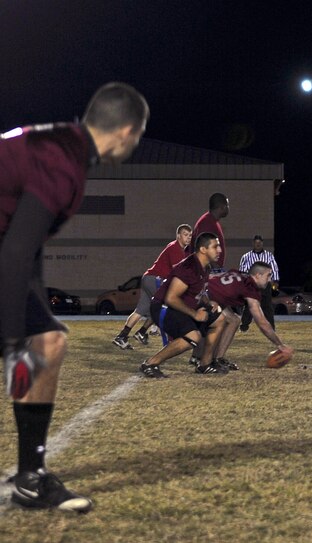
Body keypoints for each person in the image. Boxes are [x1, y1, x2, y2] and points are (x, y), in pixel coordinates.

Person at [0, 82, 149, 512]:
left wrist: (33, 317)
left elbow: (24, 244)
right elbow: (15, 250)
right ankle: (31, 475)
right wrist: (13, 341)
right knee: (36, 346)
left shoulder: (58, 143)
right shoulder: (63, 162)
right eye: (137, 136)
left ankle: (31, 476)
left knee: (47, 340)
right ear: (126, 132)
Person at [140, 233, 227, 378]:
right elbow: (171, 298)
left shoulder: (205, 267)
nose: (219, 250)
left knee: (219, 319)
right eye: (215, 246)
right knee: (193, 337)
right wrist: (195, 315)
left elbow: (198, 291)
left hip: (180, 307)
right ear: (203, 249)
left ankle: (204, 364)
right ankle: (150, 363)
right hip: (163, 308)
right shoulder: (189, 267)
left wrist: (208, 301)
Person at [112, 224, 192, 349]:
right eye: (185, 234)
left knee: (140, 311)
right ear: (178, 236)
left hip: (149, 278)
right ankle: (165, 339)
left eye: (190, 235)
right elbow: (178, 271)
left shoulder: (178, 249)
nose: (188, 238)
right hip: (155, 280)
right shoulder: (175, 248)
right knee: (167, 307)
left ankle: (123, 336)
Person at [206, 263, 293, 371]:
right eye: (268, 275)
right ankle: (206, 360)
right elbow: (262, 322)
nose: (270, 280)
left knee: (233, 320)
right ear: (258, 275)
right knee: (218, 324)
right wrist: (280, 345)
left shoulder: (240, 274)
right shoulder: (250, 287)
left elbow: (215, 277)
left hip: (207, 294)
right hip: (205, 299)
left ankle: (217, 358)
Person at [238, 235, 279, 331]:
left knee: (267, 306)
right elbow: (242, 271)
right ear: (253, 244)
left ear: (262, 243)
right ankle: (244, 326)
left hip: (265, 285)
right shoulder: (246, 256)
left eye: (260, 243)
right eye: (256, 243)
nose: (258, 245)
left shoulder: (269, 256)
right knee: (249, 305)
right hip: (252, 284)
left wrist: (276, 281)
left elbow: (274, 268)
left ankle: (271, 327)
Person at [190, 193, 229, 271]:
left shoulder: (212, 221)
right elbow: (202, 248)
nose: (228, 208)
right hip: (209, 271)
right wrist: (214, 267)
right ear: (222, 207)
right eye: (227, 205)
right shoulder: (207, 223)